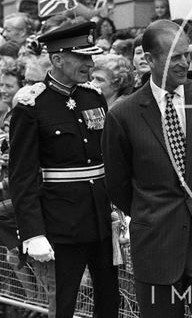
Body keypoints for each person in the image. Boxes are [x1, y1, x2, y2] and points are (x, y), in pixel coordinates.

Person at [102, 19, 192, 317]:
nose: (184, 63)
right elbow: (118, 184)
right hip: (157, 246)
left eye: (186, 55)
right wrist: (153, 210)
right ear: (148, 60)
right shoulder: (123, 115)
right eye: (174, 57)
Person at [9, 21, 119, 318]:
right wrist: (32, 232)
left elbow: (106, 160)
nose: (90, 63)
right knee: (64, 304)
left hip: (100, 219)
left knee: (110, 299)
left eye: (91, 56)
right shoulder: (31, 104)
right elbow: (22, 177)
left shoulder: (92, 96)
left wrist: (122, 210)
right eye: (82, 57)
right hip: (61, 224)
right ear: (57, 59)